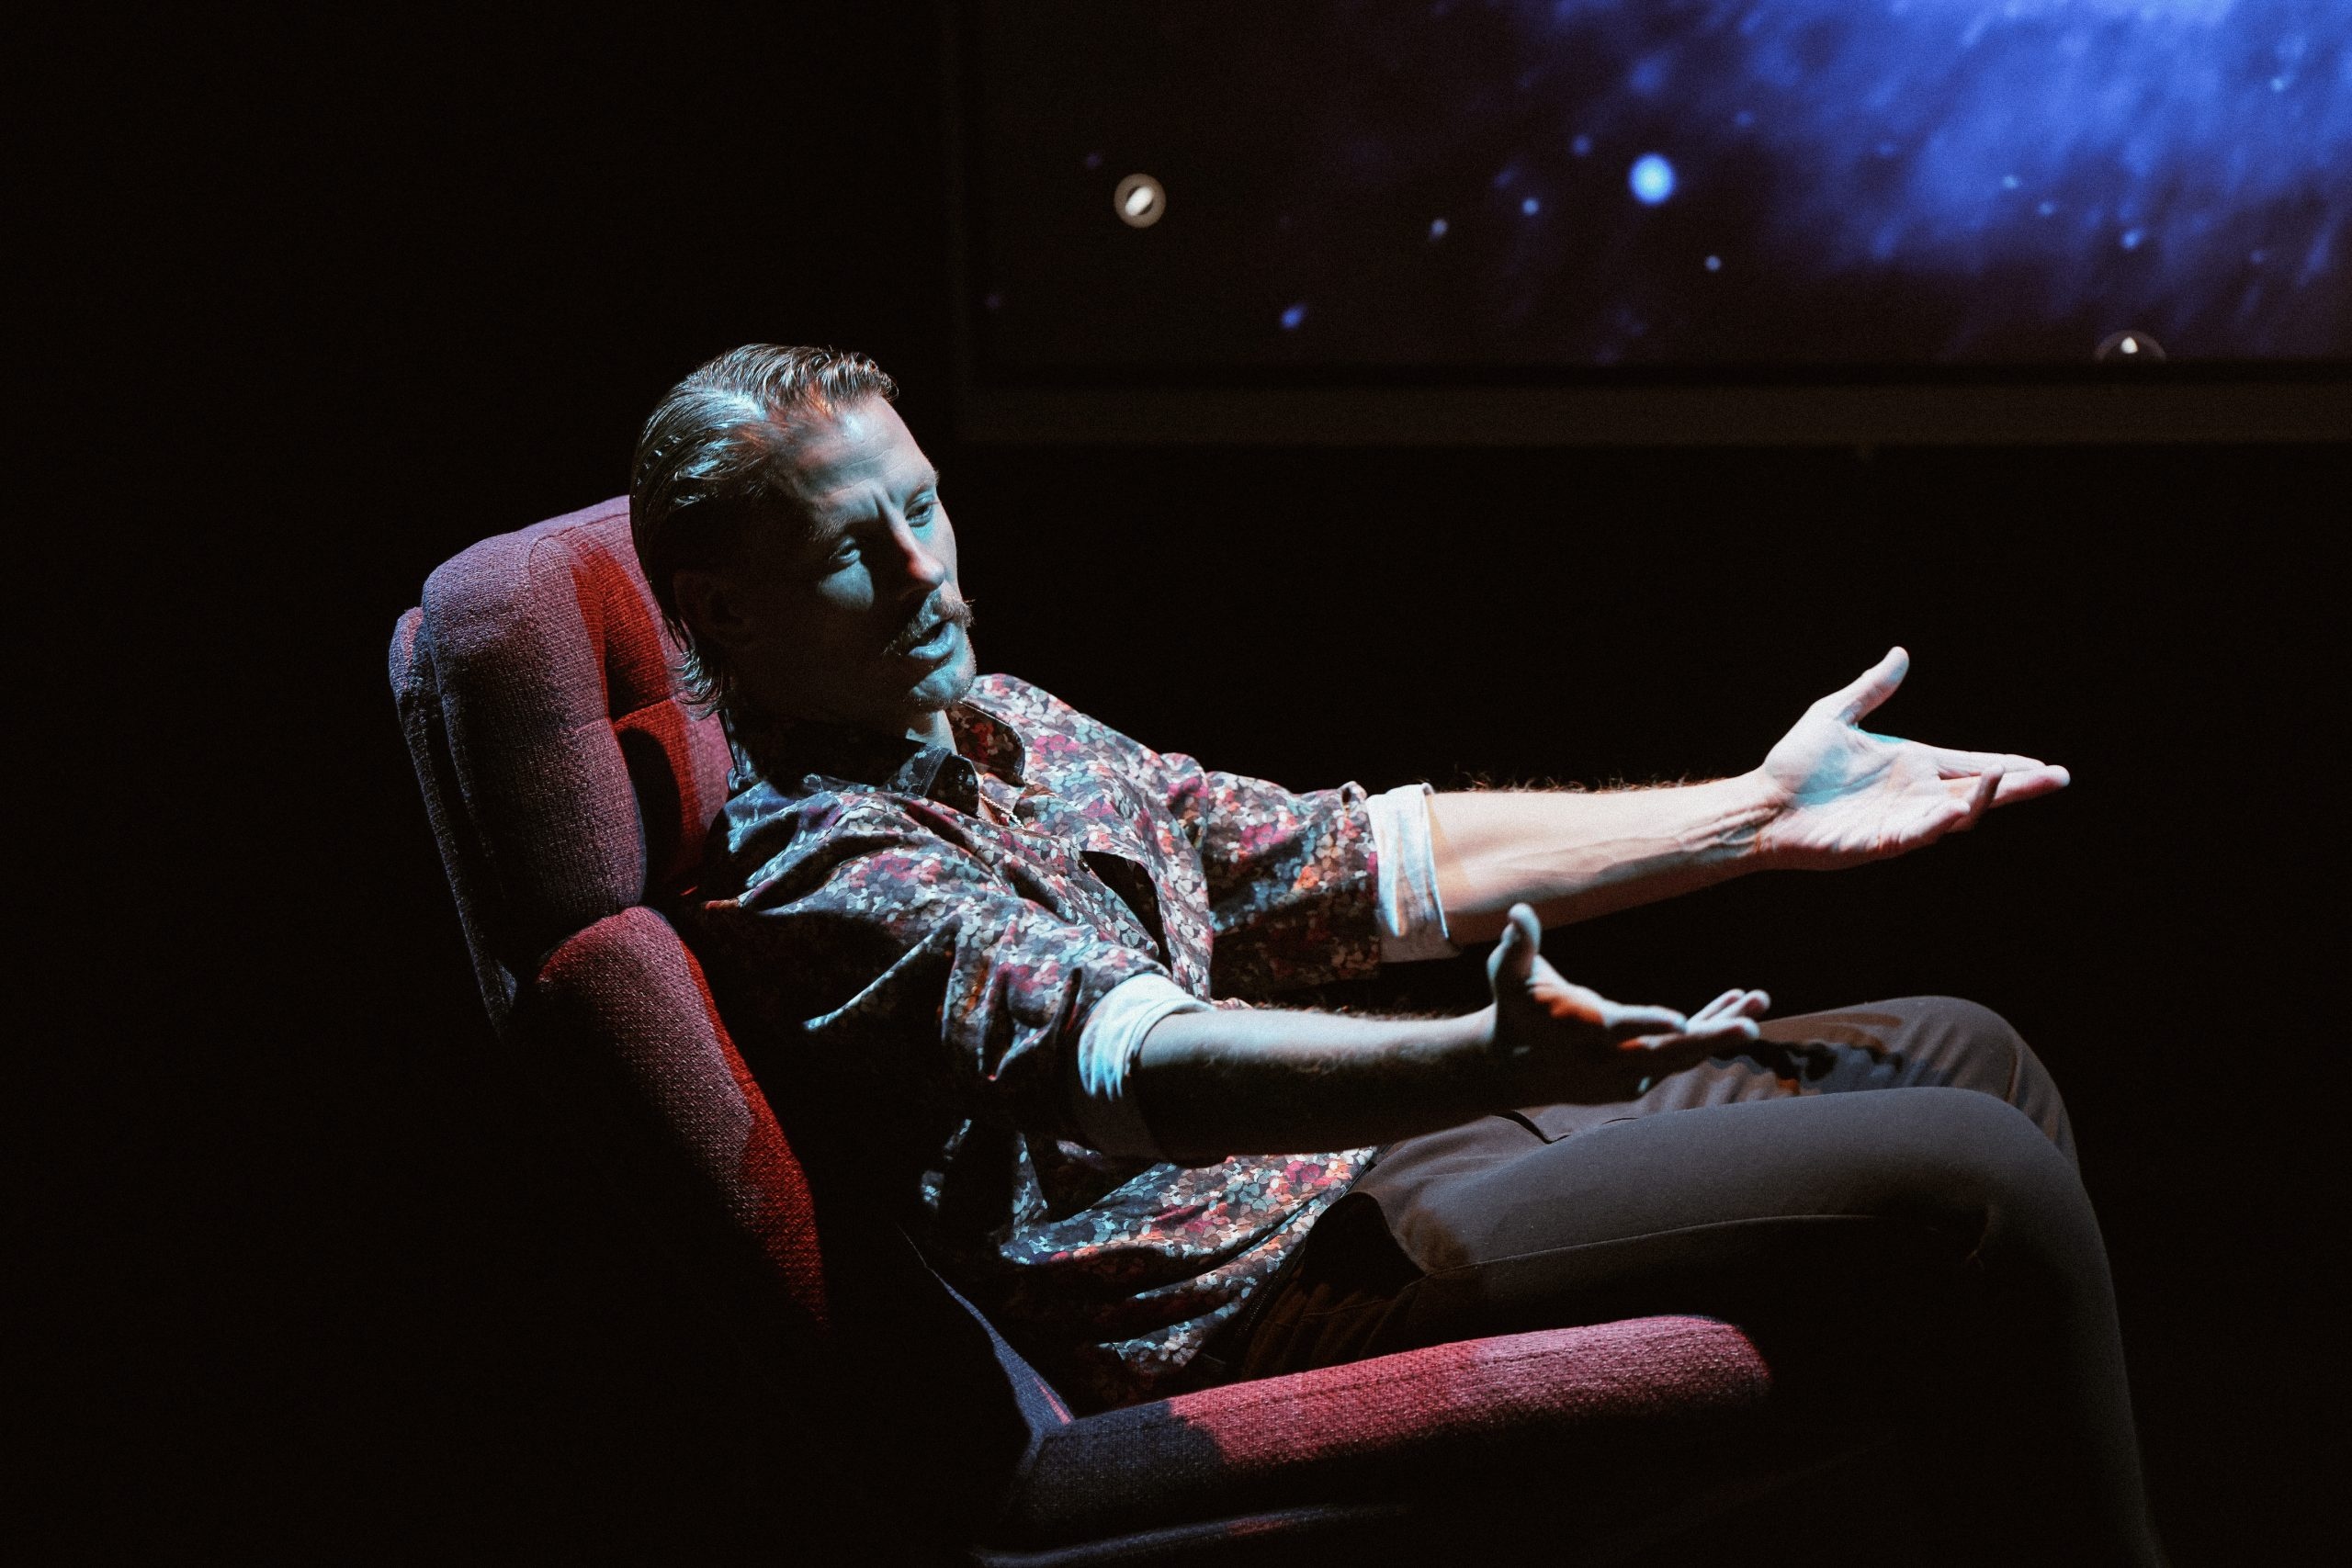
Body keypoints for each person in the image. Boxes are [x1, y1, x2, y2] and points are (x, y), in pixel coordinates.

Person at [631, 344, 2161, 1562]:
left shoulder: (998, 720)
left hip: (1372, 1172)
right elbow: (1146, 1069)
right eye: (851, 549)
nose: (920, 570)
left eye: (921, 508)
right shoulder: (824, 867)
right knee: (1979, 1177)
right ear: (727, 616)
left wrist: (1751, 817)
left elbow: (1352, 864)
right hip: (1256, 1291)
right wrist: (1478, 1060)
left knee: (1965, 1046)